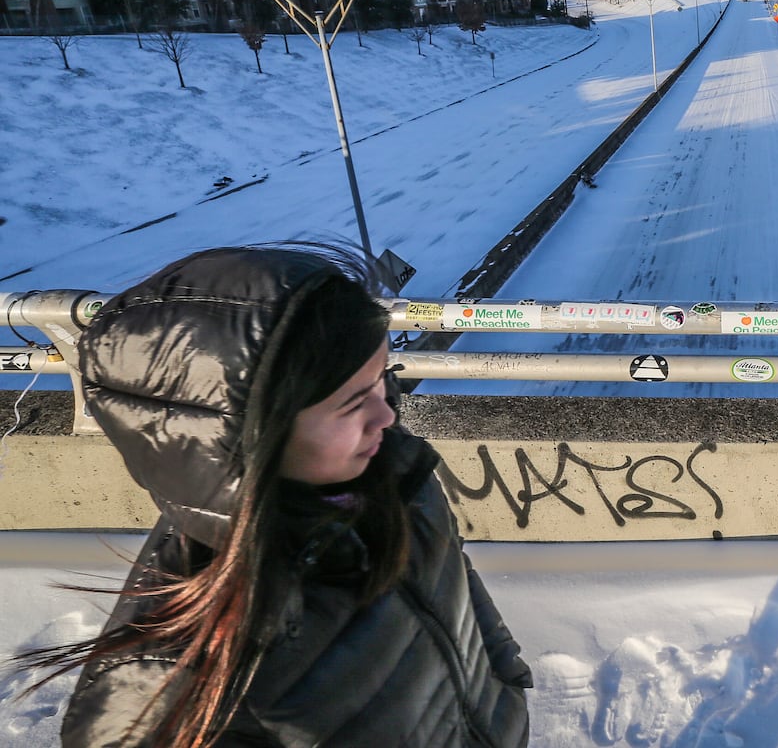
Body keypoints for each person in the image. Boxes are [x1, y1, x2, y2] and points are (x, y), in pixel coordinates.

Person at [21, 245, 531, 747]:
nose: (388, 417)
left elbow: (454, 584)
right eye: (354, 402)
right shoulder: (168, 702)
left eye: (383, 380)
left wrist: (506, 679)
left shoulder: (392, 474)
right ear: (254, 437)